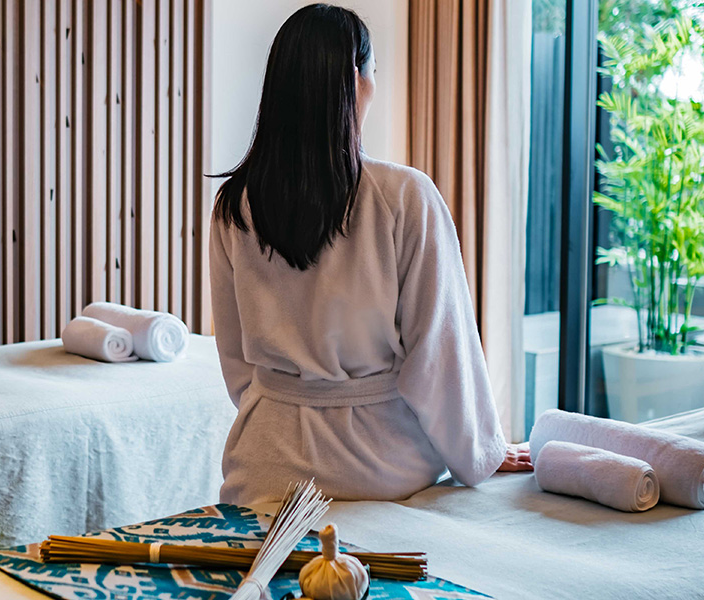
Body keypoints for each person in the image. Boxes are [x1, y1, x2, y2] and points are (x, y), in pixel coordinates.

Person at [209, 3, 531, 505]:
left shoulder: (235, 203)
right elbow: (439, 354)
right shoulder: (405, 197)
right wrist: (481, 453)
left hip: (263, 465)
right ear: (356, 83)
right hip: (381, 469)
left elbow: (236, 360)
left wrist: (284, 408)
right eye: (374, 71)